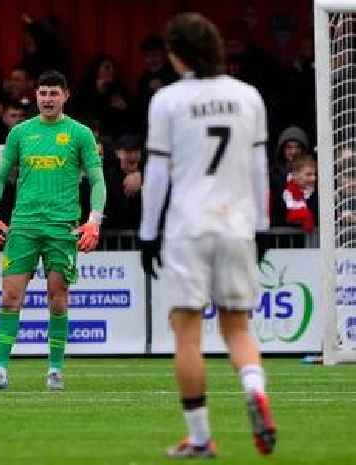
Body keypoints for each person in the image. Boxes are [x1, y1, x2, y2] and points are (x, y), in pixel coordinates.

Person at [138, 13, 276, 458]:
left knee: (188, 335)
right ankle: (254, 389)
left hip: (188, 226)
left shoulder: (168, 100)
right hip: (236, 224)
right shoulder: (248, 96)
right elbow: (259, 169)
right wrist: (262, 226)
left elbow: (157, 172)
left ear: (177, 54)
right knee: (238, 327)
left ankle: (199, 437)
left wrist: (147, 233)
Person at [0, 70, 106, 391]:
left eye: (54, 93)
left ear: (66, 96)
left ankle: (55, 371)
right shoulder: (20, 133)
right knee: (10, 297)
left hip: (62, 228)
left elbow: (97, 179)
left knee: (58, 299)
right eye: (43, 93)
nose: (48, 99)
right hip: (23, 226)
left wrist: (94, 220)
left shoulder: (80, 134)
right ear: (35, 96)